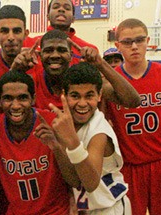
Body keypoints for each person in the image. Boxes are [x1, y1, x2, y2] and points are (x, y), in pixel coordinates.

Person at [0, 71, 76, 214]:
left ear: (33, 99)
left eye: (22, 98)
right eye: (8, 98)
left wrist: (56, 147)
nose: (15, 106)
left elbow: (74, 181)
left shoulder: (53, 123)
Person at [107, 18, 161, 215]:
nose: (134, 46)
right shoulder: (110, 81)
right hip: (129, 166)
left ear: (148, 41)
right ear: (117, 46)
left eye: (140, 40)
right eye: (127, 42)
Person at [50, 63, 132, 214]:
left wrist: (73, 142)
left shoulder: (99, 131)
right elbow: (75, 179)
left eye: (89, 96)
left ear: (99, 95)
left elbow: (91, 183)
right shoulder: (65, 123)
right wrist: (56, 146)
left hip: (111, 209)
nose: (82, 103)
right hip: (89, 209)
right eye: (75, 96)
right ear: (64, 95)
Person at [11, 29, 140, 110]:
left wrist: (101, 64)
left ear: (71, 56)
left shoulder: (84, 80)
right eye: (49, 50)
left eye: (61, 50)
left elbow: (132, 101)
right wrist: (14, 71)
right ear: (40, 56)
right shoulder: (32, 80)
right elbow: (6, 105)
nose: (55, 55)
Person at [23, 0, 98, 65]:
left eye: (67, 8)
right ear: (48, 16)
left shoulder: (89, 50)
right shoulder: (28, 44)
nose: (61, 9)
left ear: (73, 19)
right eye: (56, 7)